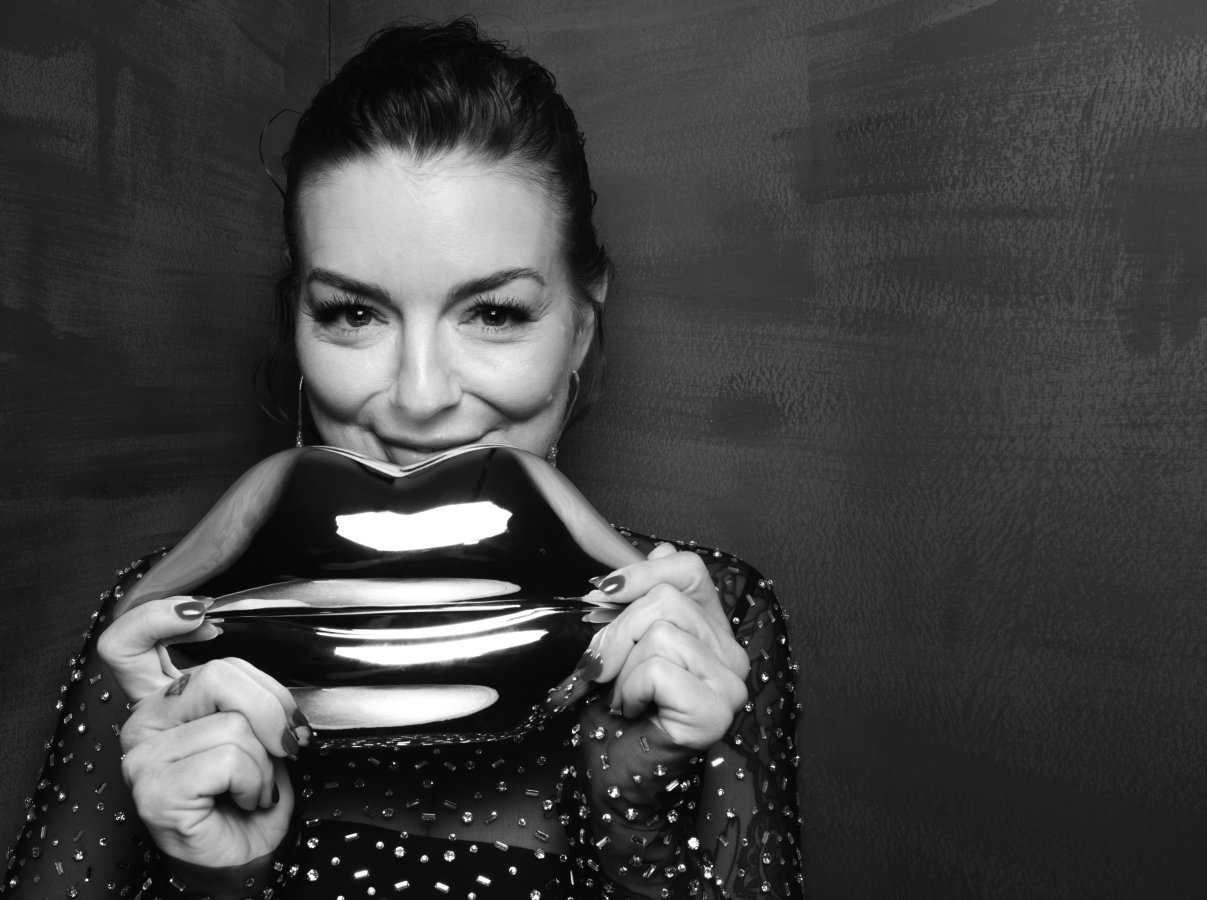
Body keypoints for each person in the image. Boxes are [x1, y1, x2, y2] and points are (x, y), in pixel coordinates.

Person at [3, 19, 803, 899]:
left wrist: (637, 803)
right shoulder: (158, 639)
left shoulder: (708, 620)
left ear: (580, 323)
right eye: (353, 313)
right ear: (296, 328)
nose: (420, 400)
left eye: (494, 313)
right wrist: (213, 878)